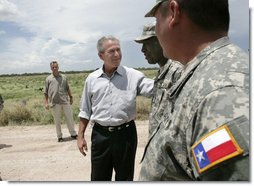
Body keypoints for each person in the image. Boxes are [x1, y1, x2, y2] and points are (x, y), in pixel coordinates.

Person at [139, 0, 249, 181]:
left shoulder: (220, 94)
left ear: (173, 13)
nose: (157, 31)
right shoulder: (204, 72)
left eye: (157, 21)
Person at [77, 36, 154, 181]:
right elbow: (85, 110)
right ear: (101, 56)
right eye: (111, 51)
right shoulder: (92, 79)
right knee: (99, 177)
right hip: (100, 136)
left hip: (126, 135)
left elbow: (156, 88)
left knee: (125, 178)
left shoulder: (133, 76)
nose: (117, 54)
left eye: (118, 50)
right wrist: (80, 136)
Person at [134, 23, 182, 136]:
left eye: (147, 44)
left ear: (162, 41)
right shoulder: (163, 72)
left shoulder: (178, 72)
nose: (142, 50)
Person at [44, 61, 77, 142]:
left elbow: (67, 88)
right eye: (53, 67)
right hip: (54, 103)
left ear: (58, 67)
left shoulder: (64, 77)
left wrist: (71, 97)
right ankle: (59, 136)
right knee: (57, 120)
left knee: (69, 118)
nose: (54, 68)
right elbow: (45, 92)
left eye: (56, 67)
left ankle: (73, 134)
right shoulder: (48, 79)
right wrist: (46, 103)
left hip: (65, 101)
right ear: (51, 68)